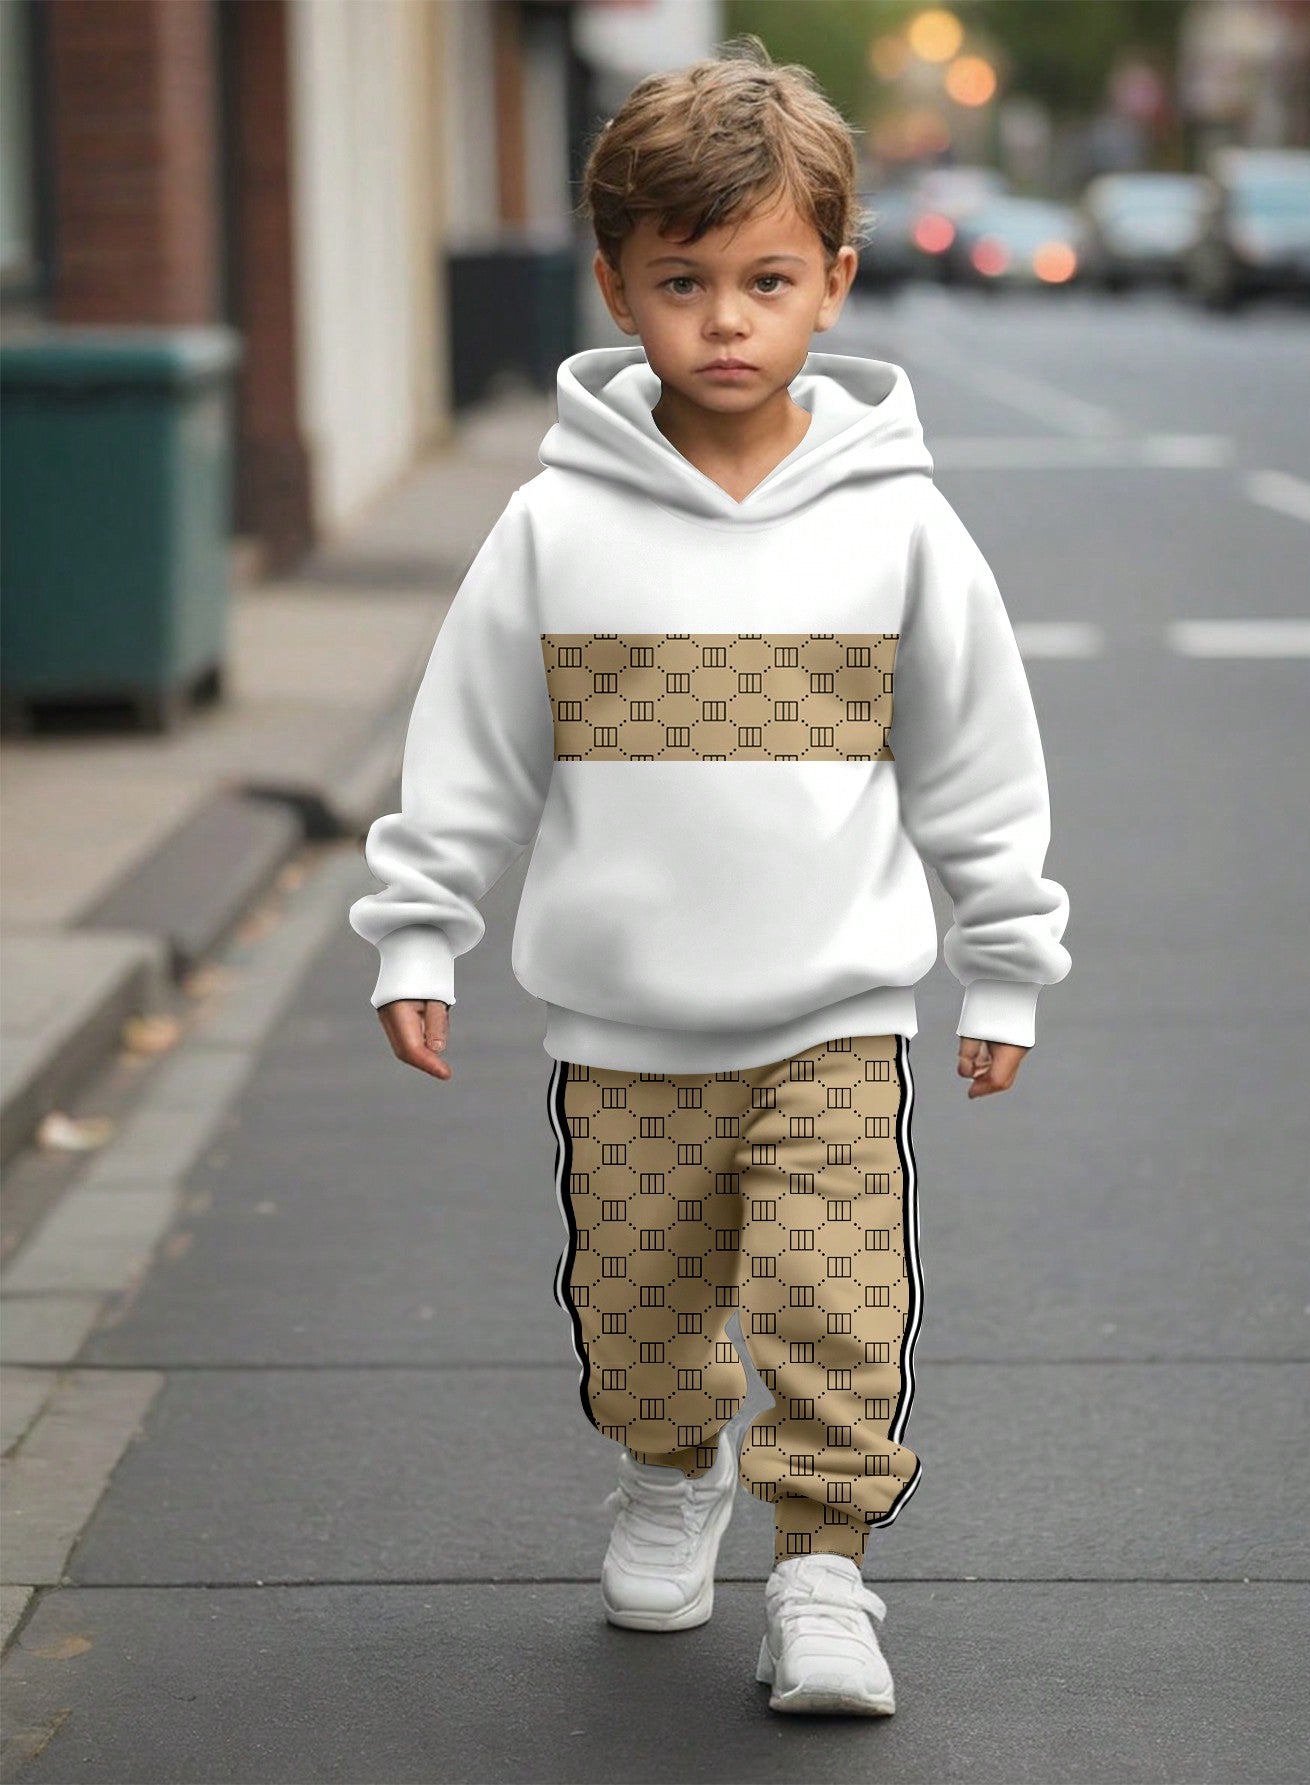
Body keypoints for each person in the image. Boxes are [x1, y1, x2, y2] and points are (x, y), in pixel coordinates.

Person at [349, 34, 1071, 1720]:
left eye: (765, 279)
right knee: (641, 1298)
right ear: (615, 286)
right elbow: (471, 744)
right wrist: (418, 932)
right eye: (683, 282)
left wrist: (1009, 959)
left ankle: (824, 1574)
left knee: (836, 1301)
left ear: (835, 280)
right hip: (623, 1027)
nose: (725, 321)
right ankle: (669, 1474)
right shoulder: (553, 525)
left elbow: (979, 759)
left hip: (836, 1007)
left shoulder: (898, 525)